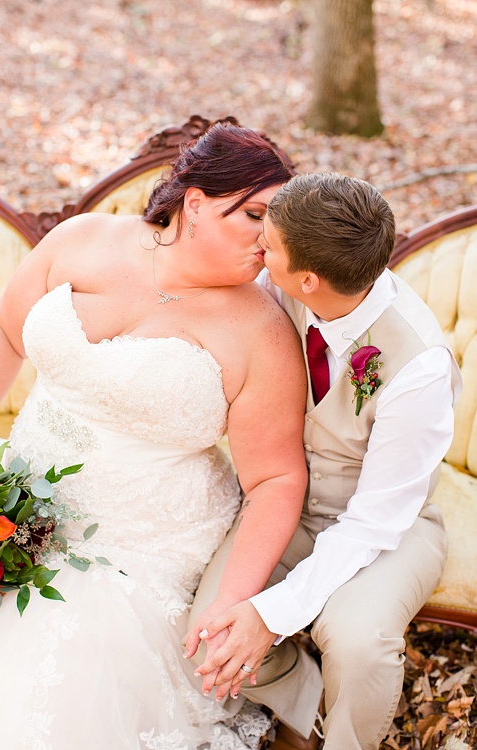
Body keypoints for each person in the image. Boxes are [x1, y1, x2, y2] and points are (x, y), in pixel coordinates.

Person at [0, 123, 323, 750]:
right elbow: (1, 332)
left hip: (139, 547)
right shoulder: (84, 240)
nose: (269, 240)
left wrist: (237, 601)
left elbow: (276, 479)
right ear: (194, 204)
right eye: (253, 216)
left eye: (278, 224)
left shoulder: (261, 330)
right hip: (13, 504)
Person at [186, 173, 462, 750]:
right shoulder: (291, 282)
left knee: (359, 641)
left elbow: (375, 521)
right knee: (209, 631)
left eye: (271, 245)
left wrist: (272, 614)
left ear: (307, 279)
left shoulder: (419, 367)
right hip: (281, 503)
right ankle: (306, 708)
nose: (260, 247)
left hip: (386, 527)